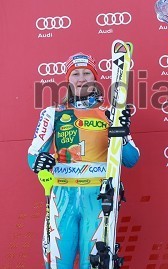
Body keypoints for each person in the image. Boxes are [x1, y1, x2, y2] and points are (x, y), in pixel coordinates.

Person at [27, 53, 140, 269]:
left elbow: (131, 159)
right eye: (75, 74)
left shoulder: (110, 113)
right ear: (68, 80)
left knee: (95, 263)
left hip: (98, 197)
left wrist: (120, 132)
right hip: (62, 197)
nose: (81, 78)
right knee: (59, 263)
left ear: (95, 78)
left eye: (86, 73)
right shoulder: (53, 113)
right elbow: (33, 155)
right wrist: (40, 161)